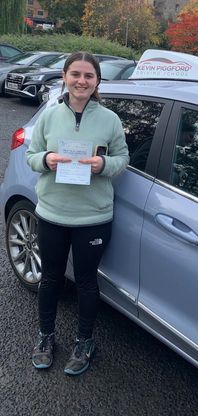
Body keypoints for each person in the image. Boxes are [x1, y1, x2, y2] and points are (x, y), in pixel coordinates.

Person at [26, 51, 129, 376]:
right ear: (65, 77)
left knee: (86, 282)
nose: (82, 81)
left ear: (97, 81)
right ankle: (45, 337)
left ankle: (84, 341)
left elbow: (122, 159)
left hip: (92, 218)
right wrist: (46, 160)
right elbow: (31, 154)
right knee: (51, 279)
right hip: (53, 213)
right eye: (76, 74)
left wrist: (103, 165)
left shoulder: (109, 120)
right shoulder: (49, 115)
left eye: (88, 76)